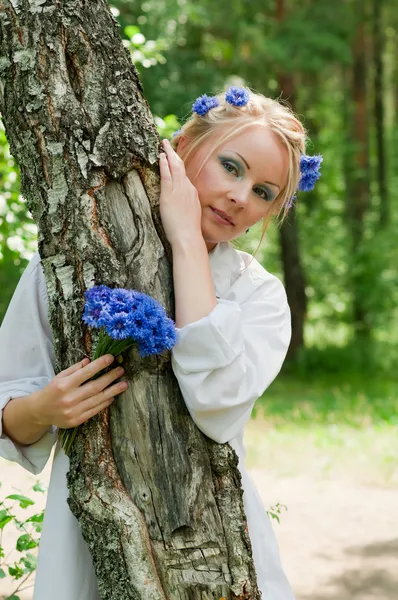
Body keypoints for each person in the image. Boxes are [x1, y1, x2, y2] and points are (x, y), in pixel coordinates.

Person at [0, 86, 321, 599]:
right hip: (93, 533)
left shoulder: (258, 295)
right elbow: (7, 411)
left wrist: (187, 242)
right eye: (231, 167)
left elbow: (214, 405)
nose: (241, 196)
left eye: (264, 192)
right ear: (183, 146)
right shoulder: (70, 259)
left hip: (211, 538)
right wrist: (44, 408)